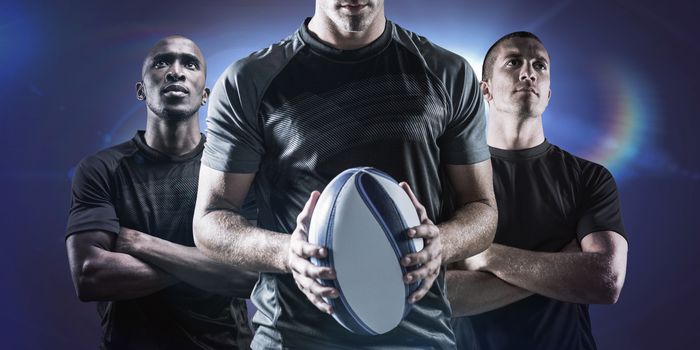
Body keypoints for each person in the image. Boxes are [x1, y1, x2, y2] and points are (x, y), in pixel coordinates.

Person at [192, 0, 498, 348]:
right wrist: (288, 253)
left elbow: (482, 207)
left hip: (419, 338)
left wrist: (440, 243)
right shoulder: (248, 80)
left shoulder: (448, 73)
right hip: (292, 339)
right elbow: (210, 221)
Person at [65, 36, 258, 349]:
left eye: (190, 64)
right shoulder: (102, 169)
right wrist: (207, 265)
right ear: (141, 90)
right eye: (162, 62)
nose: (175, 72)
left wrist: (141, 243)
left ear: (205, 95)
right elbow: (90, 276)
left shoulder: (234, 169)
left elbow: (251, 276)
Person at [447, 31, 629, 350]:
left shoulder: (589, 178)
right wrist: (563, 265)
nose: (528, 72)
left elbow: (606, 281)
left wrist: (488, 256)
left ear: (548, 94)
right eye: (514, 62)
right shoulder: (448, 178)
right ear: (485, 90)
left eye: (540, 65)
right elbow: (441, 296)